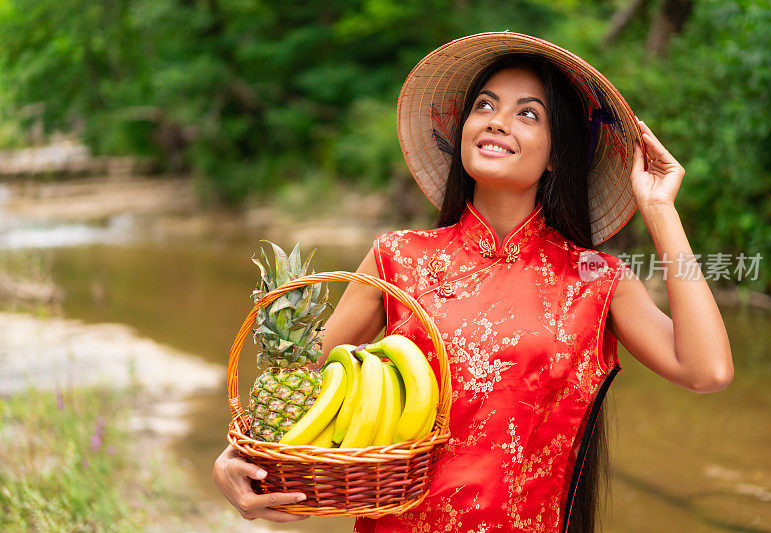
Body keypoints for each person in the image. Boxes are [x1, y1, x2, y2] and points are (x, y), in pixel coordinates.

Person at [213, 32, 733, 532]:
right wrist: (230, 463)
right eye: (484, 106)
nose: (497, 122)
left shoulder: (595, 280)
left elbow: (707, 369)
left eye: (528, 113)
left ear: (556, 154)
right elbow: (300, 398)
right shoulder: (396, 260)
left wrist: (660, 210)